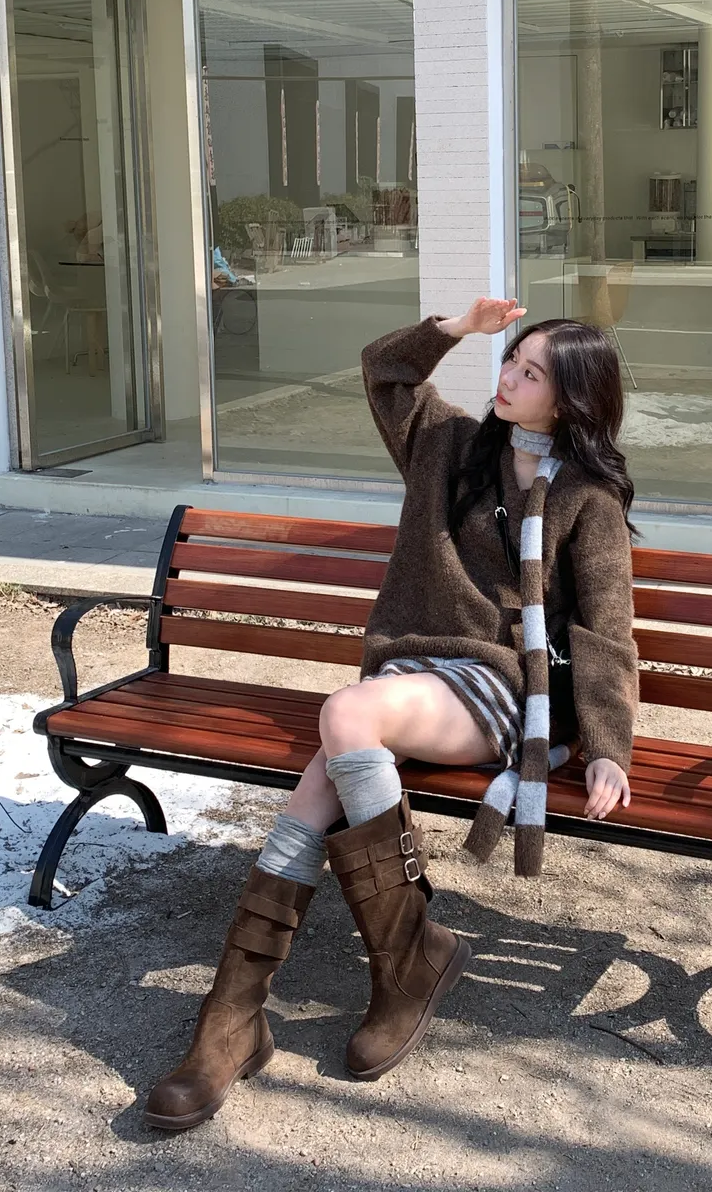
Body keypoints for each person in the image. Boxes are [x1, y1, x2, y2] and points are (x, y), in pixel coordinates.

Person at [145, 298, 639, 1131]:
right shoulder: (448, 445)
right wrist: (455, 330)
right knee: (326, 771)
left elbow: (605, 630)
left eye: (530, 374)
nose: (508, 379)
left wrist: (606, 745)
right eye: (510, 361)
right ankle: (242, 1016)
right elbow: (385, 371)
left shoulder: (587, 498)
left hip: (497, 687)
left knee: (346, 717)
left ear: (570, 401)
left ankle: (368, 976)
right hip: (409, 675)